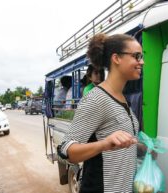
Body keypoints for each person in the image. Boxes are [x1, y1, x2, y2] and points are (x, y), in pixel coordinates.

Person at [58, 33, 144, 193]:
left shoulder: (122, 97)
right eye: (137, 56)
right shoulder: (96, 99)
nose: (142, 62)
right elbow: (66, 150)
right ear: (116, 58)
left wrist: (140, 145)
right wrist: (104, 144)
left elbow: (117, 141)